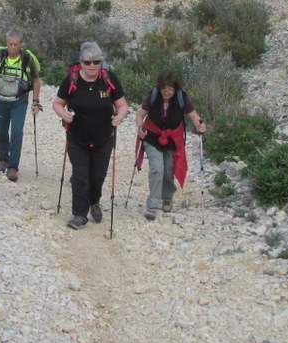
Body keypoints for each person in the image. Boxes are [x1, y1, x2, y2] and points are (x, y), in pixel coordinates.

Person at [52, 41, 129, 229]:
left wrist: (120, 116)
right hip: (77, 137)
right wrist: (64, 114)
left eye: (97, 61)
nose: (92, 66)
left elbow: (122, 105)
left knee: (97, 175)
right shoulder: (71, 80)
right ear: (81, 63)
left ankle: (94, 201)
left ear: (101, 62)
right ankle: (79, 214)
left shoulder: (109, 79)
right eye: (88, 62)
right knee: (80, 176)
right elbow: (58, 103)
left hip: (104, 137)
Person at [134, 71, 206, 220]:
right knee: (157, 169)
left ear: (175, 89)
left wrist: (200, 125)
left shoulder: (182, 98)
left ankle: (167, 197)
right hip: (152, 137)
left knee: (168, 170)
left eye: (170, 88)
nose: (167, 91)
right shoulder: (153, 97)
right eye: (164, 87)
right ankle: (152, 206)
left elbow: (193, 115)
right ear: (159, 88)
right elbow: (140, 115)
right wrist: (140, 128)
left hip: (173, 139)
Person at [0, 29, 42, 182]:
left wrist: (36, 101)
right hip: (0, 100)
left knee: (17, 132)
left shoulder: (27, 59)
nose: (13, 47)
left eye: (16, 44)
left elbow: (36, 80)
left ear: (21, 44)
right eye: (10, 44)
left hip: (19, 101)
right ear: (6, 43)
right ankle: (3, 159)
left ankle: (13, 167)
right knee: (1, 131)